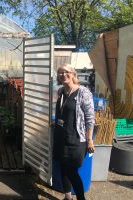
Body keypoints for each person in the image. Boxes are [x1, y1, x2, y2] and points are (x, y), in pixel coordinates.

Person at [53, 64, 95, 200]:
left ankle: (81, 198)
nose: (63, 74)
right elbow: (63, 113)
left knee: (72, 171)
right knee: (63, 169)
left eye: (66, 72)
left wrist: (89, 140)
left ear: (73, 74)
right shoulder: (61, 91)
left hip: (76, 140)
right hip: (60, 137)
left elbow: (90, 118)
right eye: (60, 73)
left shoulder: (83, 92)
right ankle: (67, 197)